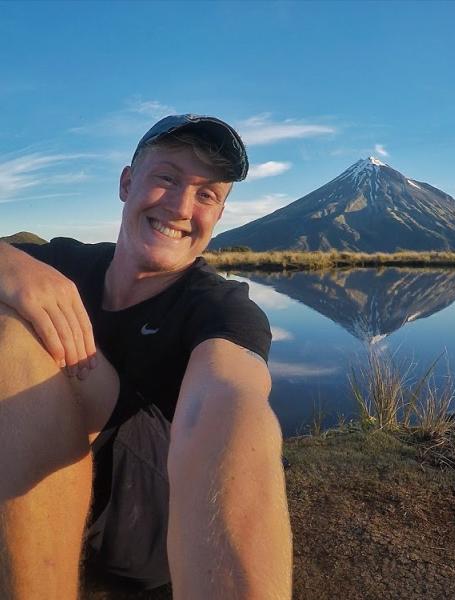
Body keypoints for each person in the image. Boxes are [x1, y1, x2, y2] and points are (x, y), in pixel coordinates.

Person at [0, 114, 293, 599]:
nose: (181, 207)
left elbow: (223, 399)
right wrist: (9, 263)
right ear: (127, 182)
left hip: (142, 524)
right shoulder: (63, 263)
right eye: (167, 178)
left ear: (218, 217)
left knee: (233, 414)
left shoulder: (220, 308)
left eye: (207, 195)